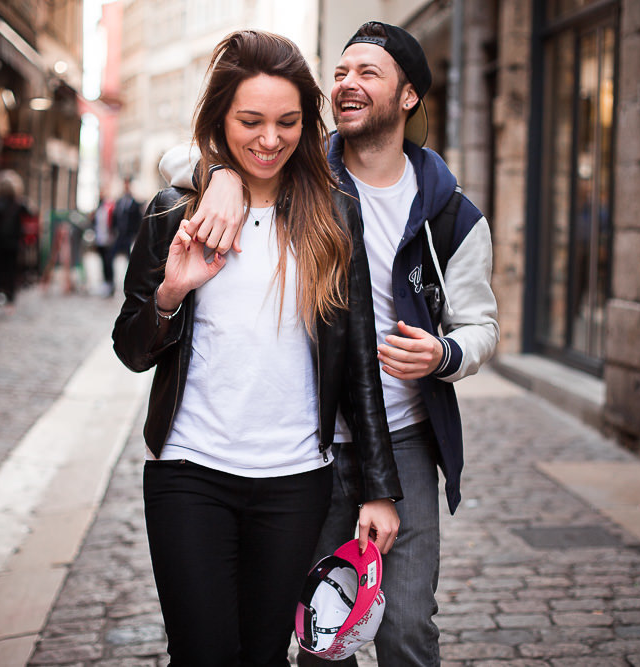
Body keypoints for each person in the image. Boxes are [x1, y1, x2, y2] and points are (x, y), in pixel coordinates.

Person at [161, 21, 500, 666]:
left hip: (398, 438)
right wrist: (223, 175)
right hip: (307, 441)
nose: (347, 83)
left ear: (408, 97)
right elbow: (182, 157)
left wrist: (444, 354)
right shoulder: (295, 169)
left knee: (404, 628)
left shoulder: (451, 214)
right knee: (320, 634)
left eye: (368, 73)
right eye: (341, 72)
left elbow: (481, 325)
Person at [111, 30, 402, 666]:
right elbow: (131, 349)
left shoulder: (333, 214)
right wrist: (170, 295)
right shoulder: (174, 214)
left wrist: (380, 486)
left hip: (296, 482)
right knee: (203, 653)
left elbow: (356, 361)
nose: (269, 140)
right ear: (220, 118)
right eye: (250, 121)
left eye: (288, 122)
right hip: (189, 475)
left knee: (266, 656)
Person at [0, 169, 30, 309]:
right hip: (13, 242)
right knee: (11, 269)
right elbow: (31, 212)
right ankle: (10, 295)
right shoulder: (18, 204)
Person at [110, 176, 141, 263]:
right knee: (111, 256)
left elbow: (137, 219)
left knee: (130, 258)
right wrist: (114, 229)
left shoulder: (134, 203)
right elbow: (115, 216)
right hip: (120, 234)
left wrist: (134, 234)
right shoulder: (120, 201)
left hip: (129, 235)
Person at [91, 191, 115, 296]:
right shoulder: (98, 210)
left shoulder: (109, 209)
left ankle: (110, 282)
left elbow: (113, 222)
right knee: (102, 262)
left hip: (108, 240)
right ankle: (105, 282)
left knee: (108, 261)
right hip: (99, 239)